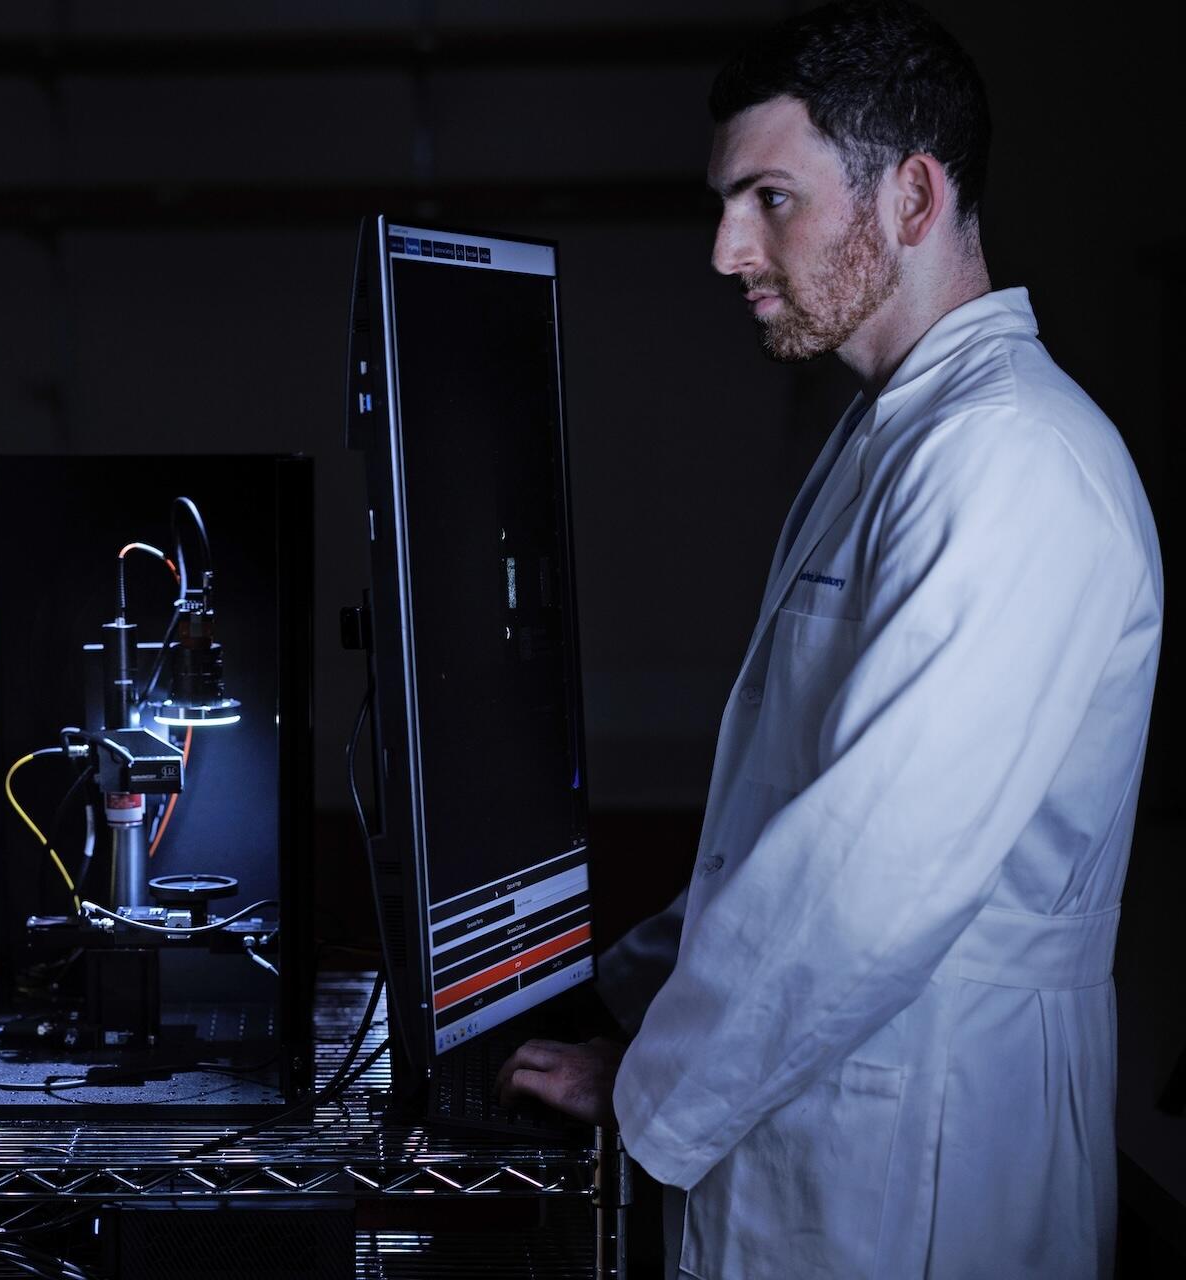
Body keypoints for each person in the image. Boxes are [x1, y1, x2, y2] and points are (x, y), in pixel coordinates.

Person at [497, 3, 1162, 1277]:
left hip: (926, 1148)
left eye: (769, 198)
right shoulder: (892, 437)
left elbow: (874, 868)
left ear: (910, 196)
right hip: (836, 1109)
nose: (725, 248)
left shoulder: (1013, 460)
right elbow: (787, 816)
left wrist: (650, 1086)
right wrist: (626, 996)